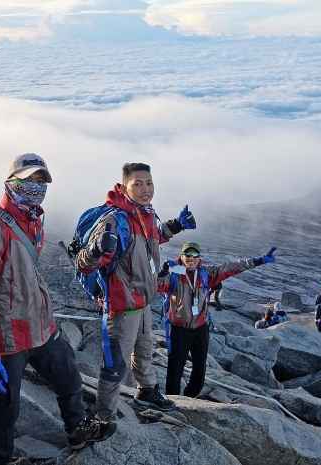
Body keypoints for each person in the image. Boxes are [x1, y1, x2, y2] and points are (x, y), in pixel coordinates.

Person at [0, 153, 114, 465]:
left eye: (42, 181)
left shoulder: (32, 221)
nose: (36, 187)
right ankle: (0, 459)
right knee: (4, 403)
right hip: (8, 336)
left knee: (69, 378)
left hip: (41, 327)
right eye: (29, 180)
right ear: (10, 181)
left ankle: (77, 430)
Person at [75, 162, 196, 422]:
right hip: (121, 305)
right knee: (115, 363)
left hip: (141, 300)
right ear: (124, 186)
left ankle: (147, 390)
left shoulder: (144, 213)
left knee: (144, 349)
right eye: (138, 184)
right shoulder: (116, 219)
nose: (146, 189)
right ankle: (105, 414)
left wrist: (175, 225)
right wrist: (96, 250)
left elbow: (151, 238)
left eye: (149, 183)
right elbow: (84, 263)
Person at [159, 241, 276, 397]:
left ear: (199, 258)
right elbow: (156, 285)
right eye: (187, 255)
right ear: (181, 256)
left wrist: (258, 261)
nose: (191, 258)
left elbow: (231, 268)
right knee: (175, 369)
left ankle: (190, 399)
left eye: (195, 255)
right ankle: (171, 400)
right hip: (179, 330)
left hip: (201, 329)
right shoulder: (174, 274)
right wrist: (162, 274)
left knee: (200, 371)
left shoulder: (206, 273)